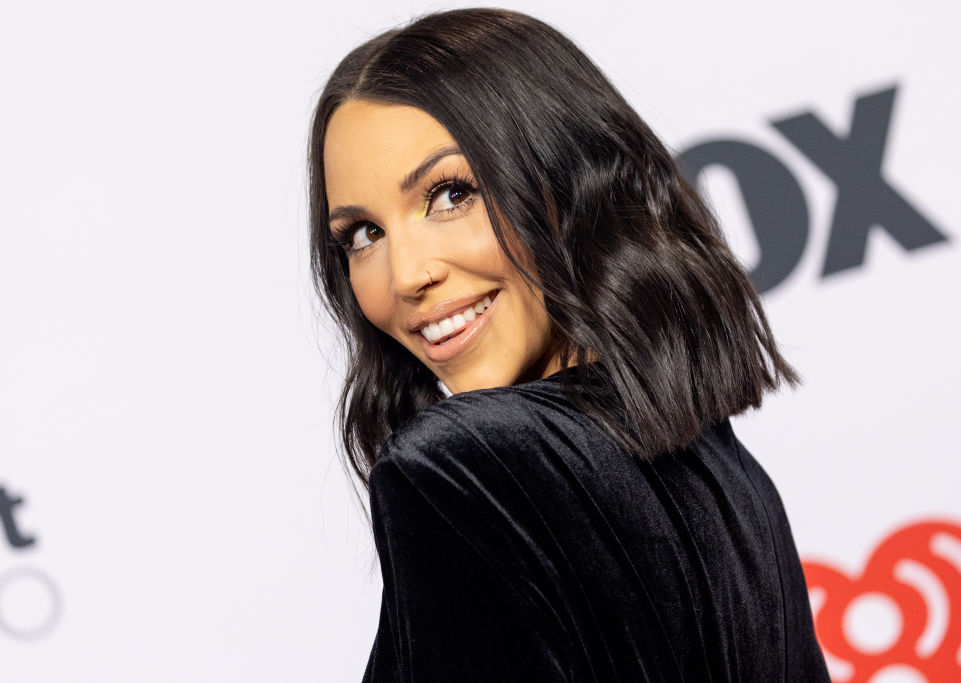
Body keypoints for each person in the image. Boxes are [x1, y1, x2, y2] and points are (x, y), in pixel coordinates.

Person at [307, 8, 830, 682]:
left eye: (451, 194)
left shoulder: (458, 465)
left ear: (568, 182)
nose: (406, 276)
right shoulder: (739, 487)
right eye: (363, 235)